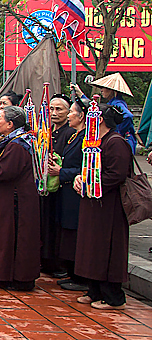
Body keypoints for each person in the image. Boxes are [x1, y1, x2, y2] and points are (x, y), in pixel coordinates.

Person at [73, 104, 132, 309]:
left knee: (107, 248)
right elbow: (89, 168)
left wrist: (91, 184)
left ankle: (113, 296)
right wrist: (80, 178)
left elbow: (117, 174)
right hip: (93, 202)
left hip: (109, 205)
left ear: (100, 119)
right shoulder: (95, 141)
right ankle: (94, 290)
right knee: (92, 247)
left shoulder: (115, 142)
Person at [0, 105, 40, 291]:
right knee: (2, 236)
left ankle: (15, 277)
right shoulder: (12, 142)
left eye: (1, 119)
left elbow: (4, 171)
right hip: (7, 198)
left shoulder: (18, 145)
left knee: (13, 237)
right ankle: (0, 274)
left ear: (10, 124)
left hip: (16, 200)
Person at [48, 97, 88, 291]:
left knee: (75, 233)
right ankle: (72, 273)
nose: (69, 115)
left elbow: (85, 168)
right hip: (65, 192)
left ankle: (80, 277)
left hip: (76, 191)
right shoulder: (75, 136)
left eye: (71, 112)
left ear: (81, 117)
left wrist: (61, 171)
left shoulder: (86, 139)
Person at [42, 94, 75, 278]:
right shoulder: (47, 131)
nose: (54, 113)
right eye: (51, 109)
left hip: (62, 185)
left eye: (59, 109)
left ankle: (59, 264)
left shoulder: (70, 133)